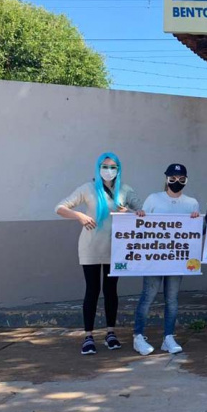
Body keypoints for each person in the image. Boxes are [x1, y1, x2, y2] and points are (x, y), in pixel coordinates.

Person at [56, 152, 142, 355]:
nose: (109, 170)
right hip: (91, 246)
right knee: (92, 290)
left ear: (119, 169)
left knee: (111, 290)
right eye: (105, 166)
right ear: (98, 167)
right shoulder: (87, 188)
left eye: (113, 167)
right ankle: (88, 335)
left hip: (116, 248)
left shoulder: (125, 190)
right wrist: (80, 216)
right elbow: (59, 207)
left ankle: (111, 333)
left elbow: (142, 211)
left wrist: (129, 212)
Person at [131, 164, 201, 356]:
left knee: (172, 299)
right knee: (148, 296)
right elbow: (142, 224)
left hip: (177, 260)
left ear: (186, 180)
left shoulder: (192, 203)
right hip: (154, 258)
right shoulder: (153, 199)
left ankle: (168, 337)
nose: (176, 181)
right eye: (173, 177)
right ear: (166, 179)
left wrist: (196, 220)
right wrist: (140, 216)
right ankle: (138, 336)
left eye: (181, 178)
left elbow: (192, 232)